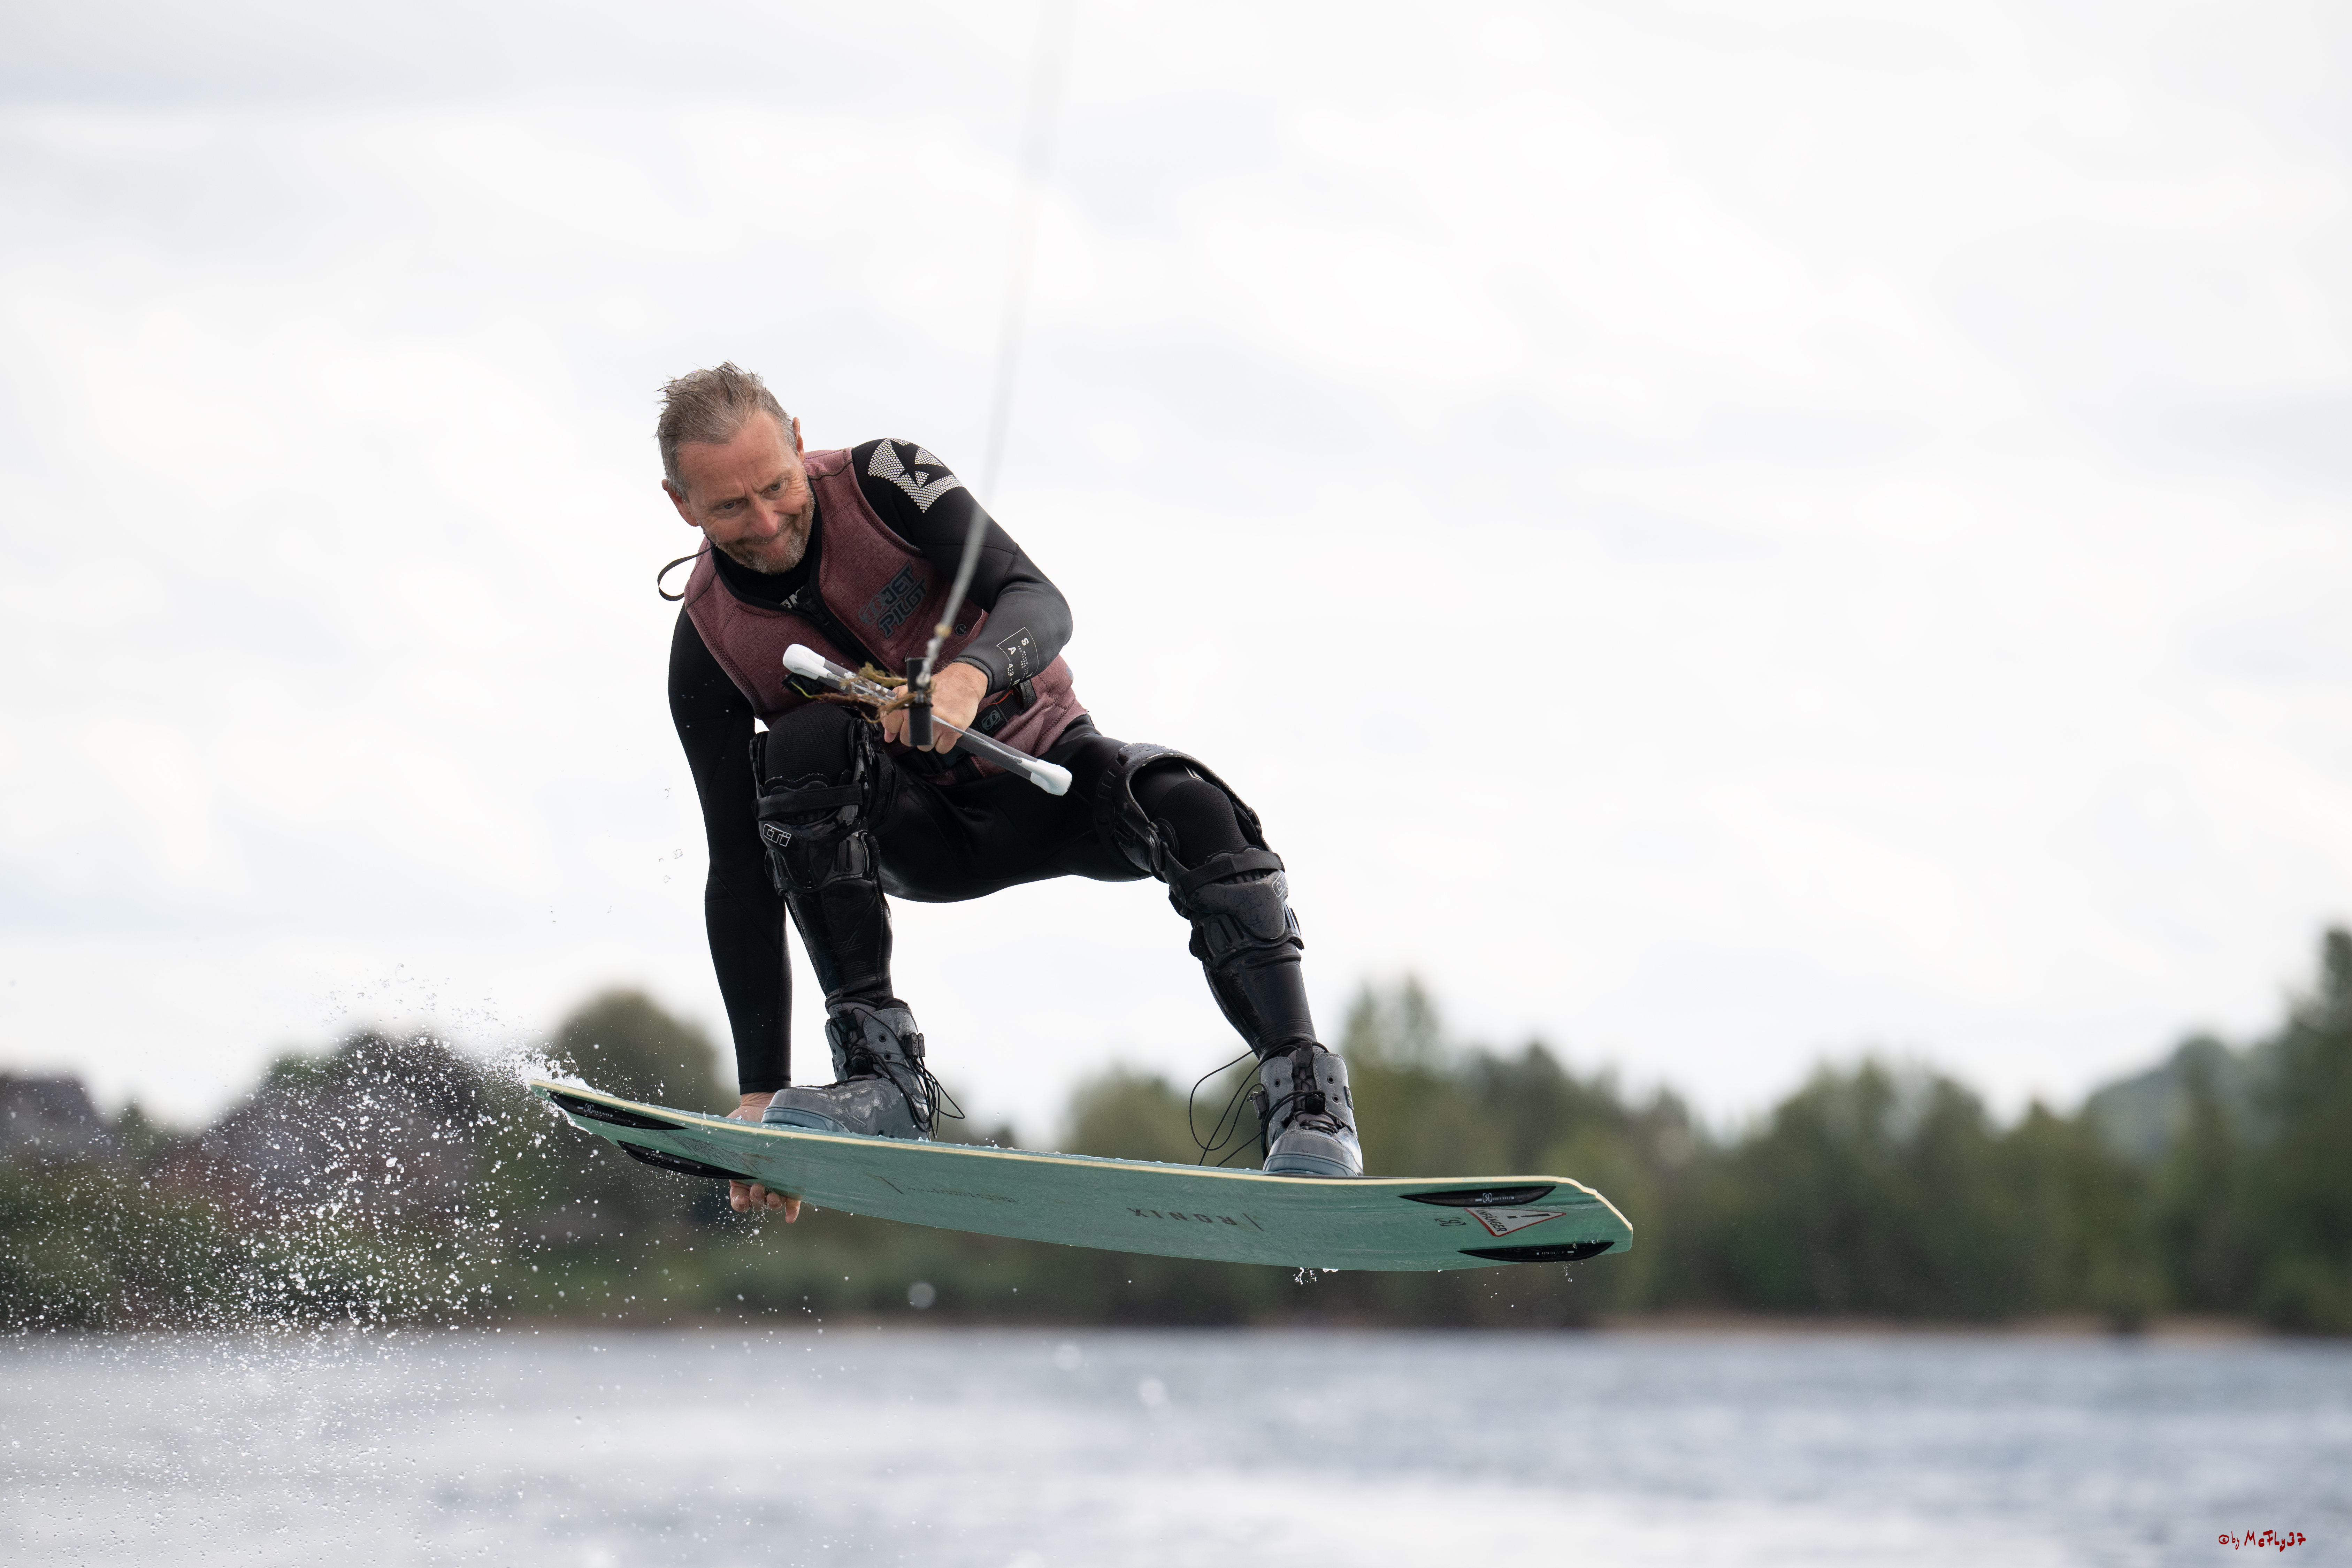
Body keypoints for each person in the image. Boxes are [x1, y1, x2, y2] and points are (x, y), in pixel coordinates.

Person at [657, 364, 1360, 1218]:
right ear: (681, 503)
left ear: (800, 443)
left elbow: (1040, 599)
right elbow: (738, 871)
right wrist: (763, 1100)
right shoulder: (707, 645)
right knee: (802, 745)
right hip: (919, 836)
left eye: (776, 487)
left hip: (1050, 776)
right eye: (730, 507)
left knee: (1194, 804)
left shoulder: (886, 480)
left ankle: (1309, 1108)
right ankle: (880, 1084)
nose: (767, 523)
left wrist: (970, 675)